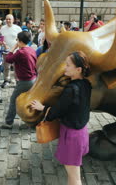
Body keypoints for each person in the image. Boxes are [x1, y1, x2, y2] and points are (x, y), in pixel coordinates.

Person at [30, 51, 92, 185]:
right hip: (81, 132)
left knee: (75, 177)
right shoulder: (87, 84)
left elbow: (55, 112)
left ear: (78, 69)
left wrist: (42, 108)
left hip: (71, 136)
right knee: (73, 173)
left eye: (68, 65)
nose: (65, 67)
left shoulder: (71, 89)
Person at [1, 31, 37, 129]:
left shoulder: (20, 52)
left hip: (25, 81)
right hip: (33, 79)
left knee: (14, 100)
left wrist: (13, 48)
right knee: (30, 101)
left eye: (17, 40)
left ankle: (8, 122)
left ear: (20, 41)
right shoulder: (31, 50)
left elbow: (8, 59)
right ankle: (34, 122)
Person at [0, 14, 22, 88]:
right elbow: (1, 39)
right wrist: (3, 44)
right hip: (6, 50)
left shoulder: (18, 28)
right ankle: (6, 79)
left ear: (13, 20)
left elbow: (21, 39)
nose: (8, 21)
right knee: (6, 66)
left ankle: (17, 80)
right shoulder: (2, 28)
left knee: (17, 67)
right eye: (7, 19)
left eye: (9, 19)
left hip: (16, 51)